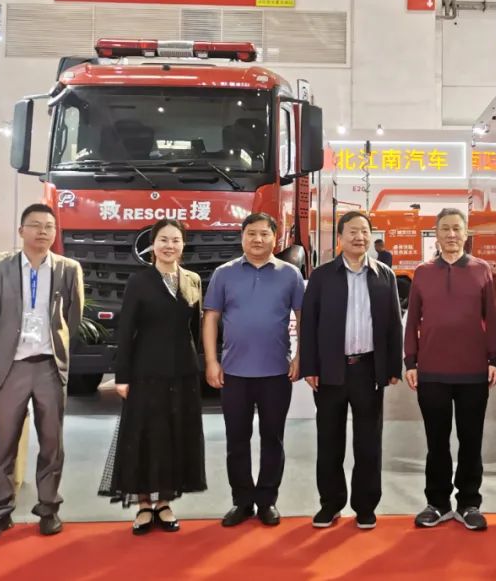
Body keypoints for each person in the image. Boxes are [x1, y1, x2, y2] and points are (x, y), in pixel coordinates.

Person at [0, 204, 84, 542]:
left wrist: (58, 349)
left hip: (49, 366)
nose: (42, 231)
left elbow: (74, 317)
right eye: (35, 225)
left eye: (49, 226)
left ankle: (48, 509)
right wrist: (3, 355)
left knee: (52, 443)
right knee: (4, 443)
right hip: (12, 368)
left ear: (55, 232)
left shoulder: (68, 269)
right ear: (21, 230)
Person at [98, 219, 206, 534]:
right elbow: (126, 331)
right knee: (144, 436)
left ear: (183, 245)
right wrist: (122, 376)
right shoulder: (139, 281)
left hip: (183, 373)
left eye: (175, 240)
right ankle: (144, 504)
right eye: (163, 240)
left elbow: (196, 329)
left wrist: (198, 365)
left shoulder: (192, 280)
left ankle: (165, 502)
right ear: (153, 245)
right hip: (145, 371)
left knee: (175, 436)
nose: (169, 246)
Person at [301, 211, 402, 530]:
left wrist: (392, 366)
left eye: (365, 231)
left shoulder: (384, 275)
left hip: (368, 370)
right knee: (329, 440)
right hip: (330, 370)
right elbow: (309, 324)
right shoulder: (322, 276)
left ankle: (365, 506)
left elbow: (394, 324)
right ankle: (330, 504)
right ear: (340, 237)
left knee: (368, 443)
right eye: (353, 231)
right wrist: (309, 366)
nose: (359, 237)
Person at [203, 212, 304, 528]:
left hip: (276, 372)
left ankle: (267, 501)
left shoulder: (290, 274)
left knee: (273, 438)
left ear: (275, 238)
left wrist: (300, 356)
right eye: (251, 233)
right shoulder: (224, 273)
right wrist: (211, 361)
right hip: (234, 373)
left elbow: (303, 317)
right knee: (237, 440)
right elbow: (211, 318)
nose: (258, 239)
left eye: (264, 233)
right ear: (242, 237)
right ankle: (242, 502)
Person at [404, 207, 496, 532]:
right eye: (445, 228)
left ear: (466, 233)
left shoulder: (481, 270)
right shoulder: (422, 272)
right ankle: (438, 503)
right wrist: (411, 361)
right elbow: (412, 320)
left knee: (471, 441)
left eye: (457, 228)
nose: (451, 234)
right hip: (432, 372)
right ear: (436, 233)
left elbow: (491, 319)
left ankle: (469, 503)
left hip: (473, 371)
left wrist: (494, 359)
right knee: (437, 442)